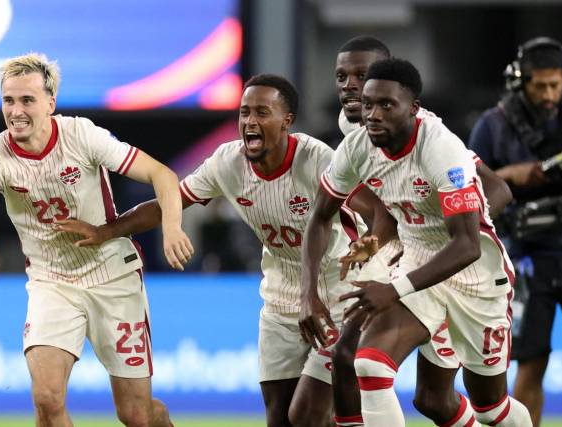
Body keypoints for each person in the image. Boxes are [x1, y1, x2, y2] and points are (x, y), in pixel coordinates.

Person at [53, 74, 378, 426]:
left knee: (308, 415)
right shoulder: (228, 163)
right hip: (279, 298)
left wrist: (373, 243)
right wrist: (107, 231)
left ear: (287, 121)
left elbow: (374, 209)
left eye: (262, 113)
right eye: (244, 112)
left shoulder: (317, 160)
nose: (250, 121)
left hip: (337, 295)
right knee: (280, 418)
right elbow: (169, 201)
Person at [0, 53, 192, 427]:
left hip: (113, 277)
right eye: (8, 100)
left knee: (136, 415)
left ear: (51, 103)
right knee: (46, 399)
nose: (15, 111)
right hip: (52, 284)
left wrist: (173, 227)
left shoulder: (83, 135)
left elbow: (161, 175)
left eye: (27, 100)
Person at [300, 58, 532, 426]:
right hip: (418, 260)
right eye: (369, 104)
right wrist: (308, 293)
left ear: (414, 109)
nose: (373, 114)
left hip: (476, 275)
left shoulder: (443, 150)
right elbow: (319, 216)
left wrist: (393, 290)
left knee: (491, 408)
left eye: (386, 105)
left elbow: (468, 245)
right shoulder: (357, 147)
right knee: (369, 364)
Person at [468, 36, 562, 426]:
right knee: (531, 363)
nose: (550, 93)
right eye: (540, 85)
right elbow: (464, 186)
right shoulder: (493, 125)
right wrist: (509, 177)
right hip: (524, 257)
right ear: (521, 81)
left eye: (556, 84)